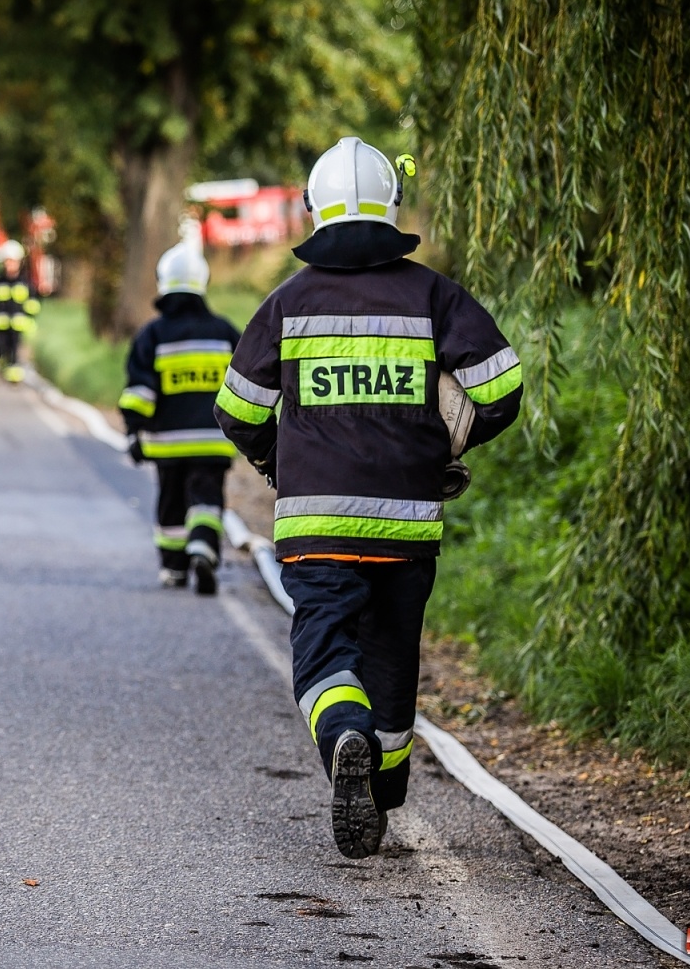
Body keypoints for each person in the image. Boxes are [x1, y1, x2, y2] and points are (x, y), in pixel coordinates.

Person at [213, 137, 522, 859]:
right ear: (392, 208)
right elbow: (501, 391)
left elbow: (238, 409)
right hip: (407, 524)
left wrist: (275, 462)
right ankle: (379, 792)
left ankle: (343, 734)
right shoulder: (433, 295)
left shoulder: (286, 302)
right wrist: (445, 445)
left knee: (325, 648)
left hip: (316, 523)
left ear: (314, 211)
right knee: (390, 654)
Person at [118, 231, 240, 595]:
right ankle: (203, 543)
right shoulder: (225, 333)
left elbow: (140, 392)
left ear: (163, 282)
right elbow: (246, 386)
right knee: (207, 497)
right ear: (203, 283)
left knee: (171, 501)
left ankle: (174, 568)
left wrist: (133, 432)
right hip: (215, 442)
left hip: (168, 444)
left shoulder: (153, 335)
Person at [0, 241, 39, 383]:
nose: (10, 264)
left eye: (13, 261)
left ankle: (13, 376)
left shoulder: (25, 282)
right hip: (0, 325)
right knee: (0, 350)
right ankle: (2, 368)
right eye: (8, 261)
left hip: (18, 326)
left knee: (15, 352)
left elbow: (33, 304)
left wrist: (29, 320)